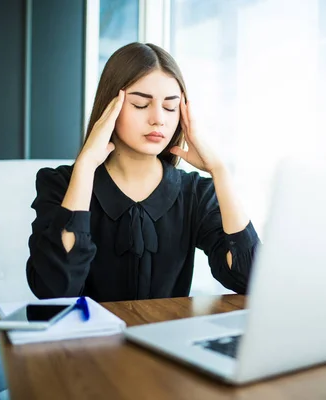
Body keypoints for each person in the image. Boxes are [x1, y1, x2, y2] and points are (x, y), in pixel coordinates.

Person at [26, 42, 260, 302]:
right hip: (85, 342)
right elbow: (54, 289)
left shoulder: (194, 192)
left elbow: (251, 280)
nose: (158, 118)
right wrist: (85, 166)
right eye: (140, 104)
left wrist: (219, 171)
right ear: (109, 106)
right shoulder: (60, 184)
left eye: (170, 107)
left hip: (166, 340)